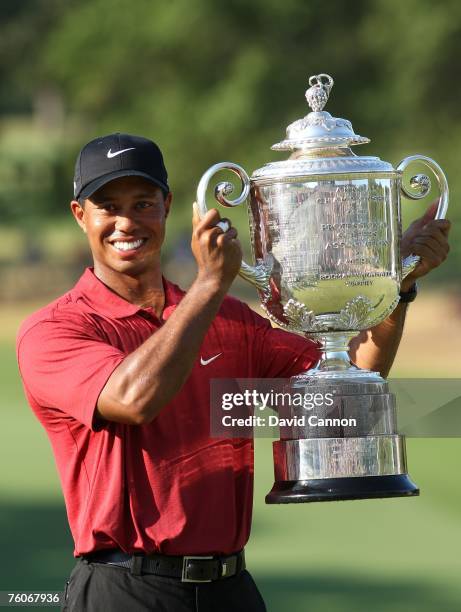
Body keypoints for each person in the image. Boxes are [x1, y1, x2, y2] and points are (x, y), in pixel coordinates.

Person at [16, 133, 450, 612]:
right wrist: (210, 284)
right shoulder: (54, 330)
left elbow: (341, 391)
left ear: (167, 207)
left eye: (143, 203)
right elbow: (135, 400)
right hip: (125, 588)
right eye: (108, 207)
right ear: (81, 216)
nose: (126, 222)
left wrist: (396, 287)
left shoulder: (230, 322)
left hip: (231, 588)